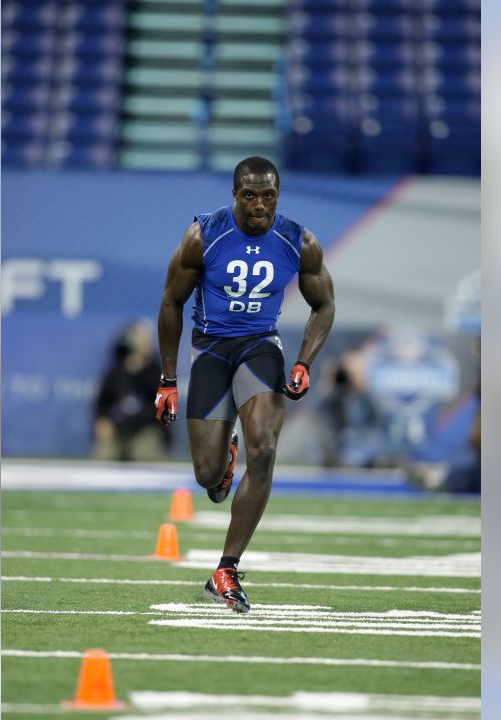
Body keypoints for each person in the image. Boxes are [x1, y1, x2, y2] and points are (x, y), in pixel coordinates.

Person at [153, 156, 335, 614]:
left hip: (260, 346)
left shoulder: (298, 241)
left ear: (279, 195)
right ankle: (224, 459)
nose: (259, 205)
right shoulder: (204, 235)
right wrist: (168, 380)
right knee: (208, 477)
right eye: (249, 195)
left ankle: (226, 569)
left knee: (266, 447)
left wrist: (304, 362)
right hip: (212, 348)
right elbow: (171, 302)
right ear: (234, 194)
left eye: (268, 195)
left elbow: (324, 304)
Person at [92, 321, 168, 462]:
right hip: (116, 430)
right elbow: (102, 402)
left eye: (147, 339)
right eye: (140, 338)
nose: (145, 343)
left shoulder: (158, 372)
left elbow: (164, 410)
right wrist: (102, 421)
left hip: (146, 430)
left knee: (146, 456)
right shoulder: (116, 370)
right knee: (104, 456)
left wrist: (140, 370)